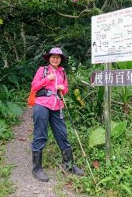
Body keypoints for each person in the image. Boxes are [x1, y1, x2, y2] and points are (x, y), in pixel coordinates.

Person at [31, 47, 84, 182]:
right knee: (40, 135)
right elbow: (34, 86)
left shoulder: (62, 73)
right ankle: (37, 168)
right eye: (53, 57)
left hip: (57, 106)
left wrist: (63, 88)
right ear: (49, 58)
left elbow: (65, 90)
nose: (55, 59)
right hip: (42, 104)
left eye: (58, 57)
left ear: (61, 60)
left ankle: (69, 165)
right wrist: (47, 79)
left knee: (62, 133)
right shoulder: (42, 70)